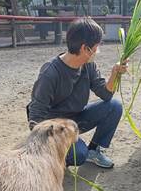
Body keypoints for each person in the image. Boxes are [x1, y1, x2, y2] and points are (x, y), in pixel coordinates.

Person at [27, 18, 128, 168]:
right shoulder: (50, 73)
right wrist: (48, 141)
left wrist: (115, 73)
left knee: (114, 106)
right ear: (84, 48)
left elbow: (106, 95)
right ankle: (52, 157)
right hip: (56, 126)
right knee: (78, 155)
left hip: (76, 118)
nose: (97, 51)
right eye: (96, 47)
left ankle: (93, 151)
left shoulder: (88, 65)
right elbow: (35, 116)